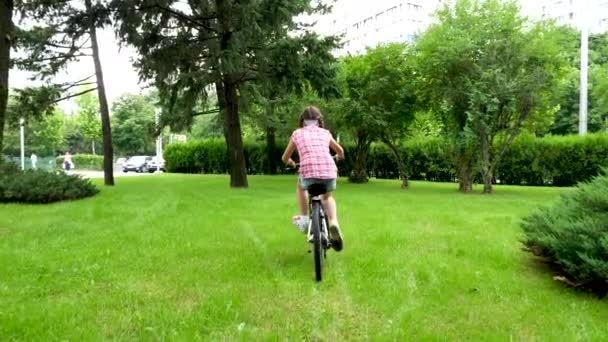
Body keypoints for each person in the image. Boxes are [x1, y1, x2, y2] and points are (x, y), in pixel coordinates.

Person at [281, 106, 345, 251]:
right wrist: (338, 157)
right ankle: (334, 222)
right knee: (327, 198)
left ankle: (304, 218)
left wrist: (291, 162)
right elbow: (340, 151)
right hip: (328, 171)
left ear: (303, 121)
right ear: (319, 120)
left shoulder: (297, 134)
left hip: (308, 173)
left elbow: (285, 157)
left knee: (300, 185)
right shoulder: (325, 133)